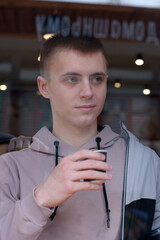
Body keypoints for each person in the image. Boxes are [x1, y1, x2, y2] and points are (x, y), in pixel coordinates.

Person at [0, 35, 159, 240]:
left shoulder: (143, 162)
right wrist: (40, 199)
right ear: (44, 87)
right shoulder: (10, 168)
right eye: (72, 79)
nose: (87, 91)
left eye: (97, 79)